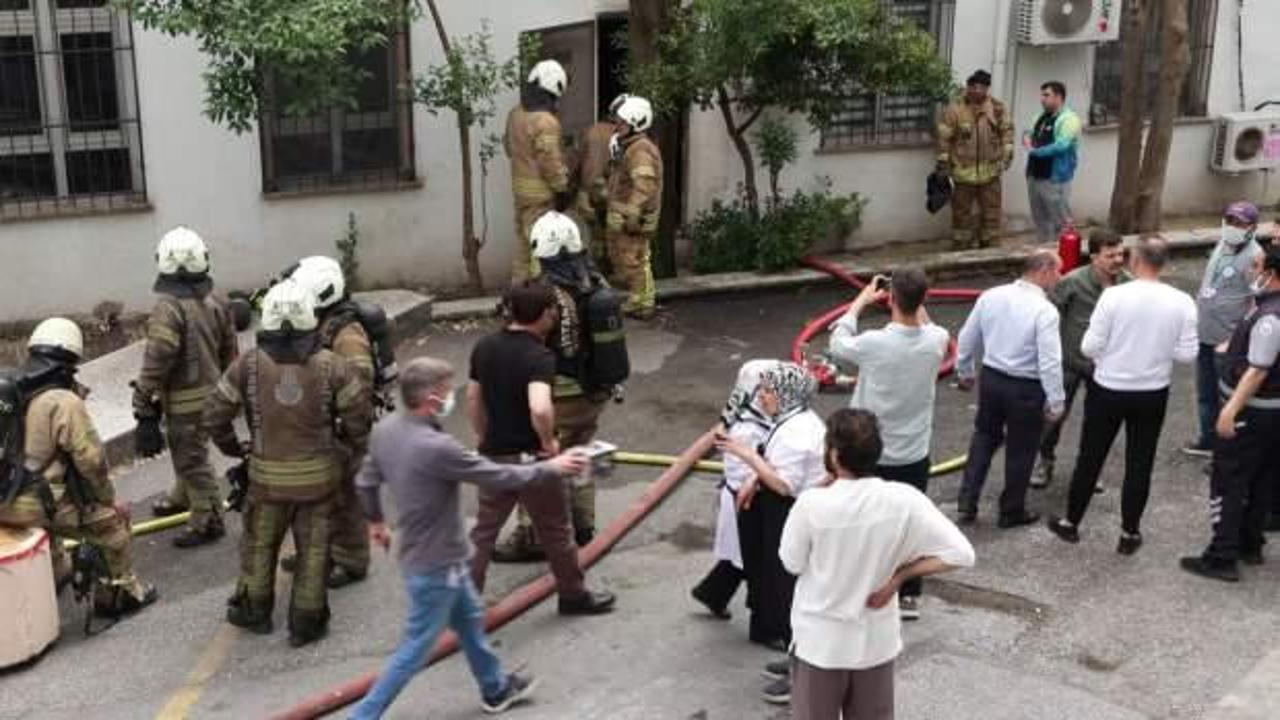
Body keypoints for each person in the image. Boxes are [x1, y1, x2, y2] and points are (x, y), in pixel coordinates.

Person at [350, 358, 590, 718]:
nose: (452, 399)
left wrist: (375, 522)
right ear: (431, 399)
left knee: (469, 619)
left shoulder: (386, 430)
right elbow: (498, 476)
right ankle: (363, 715)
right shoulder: (436, 447)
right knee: (415, 649)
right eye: (448, 392)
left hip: (433, 557)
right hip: (437, 565)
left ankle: (495, 688)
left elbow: (365, 481)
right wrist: (551, 468)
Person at [203, 280, 373, 647]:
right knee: (314, 549)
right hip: (320, 483)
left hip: (265, 484)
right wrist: (345, 448)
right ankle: (307, 621)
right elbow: (360, 416)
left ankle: (253, 609)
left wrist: (235, 449)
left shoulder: (246, 365)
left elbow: (215, 414)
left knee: (259, 544)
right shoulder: (333, 367)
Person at [781, 409, 975, 720]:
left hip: (821, 645)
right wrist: (901, 576)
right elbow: (961, 553)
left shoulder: (812, 505)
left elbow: (791, 563)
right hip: (875, 644)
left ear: (834, 454)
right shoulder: (903, 499)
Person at [466, 281, 616, 615]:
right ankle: (573, 595)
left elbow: (473, 398)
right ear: (544, 314)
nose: (554, 317)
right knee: (556, 530)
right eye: (553, 311)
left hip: (494, 457)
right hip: (532, 461)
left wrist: (482, 436)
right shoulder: (539, 356)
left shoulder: (485, 347)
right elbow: (540, 407)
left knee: (484, 533)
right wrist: (548, 443)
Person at [1048, 238, 1197, 555]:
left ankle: (1071, 523)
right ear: (1164, 264)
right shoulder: (1182, 301)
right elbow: (1187, 354)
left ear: (1136, 260)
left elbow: (1089, 347)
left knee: (1091, 456)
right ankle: (1130, 532)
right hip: (1152, 390)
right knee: (1140, 462)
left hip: (1109, 387)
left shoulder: (1114, 297)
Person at [0, 318, 158, 616]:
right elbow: (92, 461)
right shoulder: (62, 401)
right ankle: (119, 595)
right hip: (32, 507)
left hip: (3, 500)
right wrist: (109, 501)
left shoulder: (8, 391)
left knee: (50, 495)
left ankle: (56, 573)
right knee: (111, 527)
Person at [494, 212, 624, 560]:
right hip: (594, 393)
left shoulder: (542, 294)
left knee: (540, 461)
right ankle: (583, 526)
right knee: (579, 455)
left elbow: (519, 339)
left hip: (557, 395)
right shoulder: (595, 283)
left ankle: (532, 537)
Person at [828, 268, 949, 620]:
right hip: (913, 450)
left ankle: (860, 582)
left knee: (861, 518)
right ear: (923, 300)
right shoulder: (936, 340)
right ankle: (908, 593)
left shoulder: (874, 343)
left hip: (870, 449)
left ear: (891, 300)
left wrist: (862, 300)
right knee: (909, 521)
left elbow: (837, 345)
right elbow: (925, 324)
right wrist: (912, 299)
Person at [715, 362, 825, 704]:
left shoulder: (796, 432)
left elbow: (783, 483)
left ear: (787, 396)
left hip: (792, 512)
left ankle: (802, 679)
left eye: (768, 392)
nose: (761, 397)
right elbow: (774, 464)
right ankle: (797, 660)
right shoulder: (792, 421)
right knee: (782, 590)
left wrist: (746, 457)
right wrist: (754, 476)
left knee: (789, 594)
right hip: (787, 510)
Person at [133, 226, 239, 548]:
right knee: (188, 450)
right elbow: (229, 349)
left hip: (184, 400)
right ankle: (181, 496)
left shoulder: (169, 307)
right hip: (214, 393)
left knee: (191, 458)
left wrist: (142, 399)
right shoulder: (218, 299)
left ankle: (208, 519)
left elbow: (159, 357)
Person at [1180, 245, 1280, 582]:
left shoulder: (1270, 316)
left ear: (1272, 273)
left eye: (1258, 265)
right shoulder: (1266, 308)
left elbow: (1258, 369)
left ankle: (1222, 556)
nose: (1253, 270)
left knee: (1229, 479)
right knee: (1262, 478)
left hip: (1252, 412)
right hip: (1271, 414)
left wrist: (1231, 410)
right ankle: (1251, 544)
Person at [281, 255, 376, 588]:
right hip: (324, 426)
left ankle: (352, 560)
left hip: (345, 429)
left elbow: (359, 386)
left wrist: (349, 432)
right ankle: (319, 553)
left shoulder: (347, 335)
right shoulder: (324, 325)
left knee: (345, 497)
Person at [955, 250, 1065, 527]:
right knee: (1022, 449)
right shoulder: (1045, 311)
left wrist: (965, 371)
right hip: (1026, 387)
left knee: (983, 437)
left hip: (992, 379)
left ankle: (967, 501)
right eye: (1057, 271)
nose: (1059, 278)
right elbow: (1050, 360)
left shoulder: (991, 296)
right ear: (1044, 271)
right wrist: (1056, 400)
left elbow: (967, 337)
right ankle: (1011, 510)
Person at [1034, 230, 1127, 489]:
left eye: (1121, 254)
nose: (1118, 260)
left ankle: (1089, 470)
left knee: (1099, 423)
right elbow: (1049, 317)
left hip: (1107, 368)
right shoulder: (1072, 282)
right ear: (1094, 256)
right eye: (1111, 255)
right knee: (1053, 416)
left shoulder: (1128, 285)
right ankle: (1044, 461)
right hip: (1071, 363)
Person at [690, 359, 775, 620]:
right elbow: (745, 472)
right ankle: (762, 615)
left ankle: (712, 592)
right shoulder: (749, 429)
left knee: (739, 556)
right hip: (746, 502)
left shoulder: (743, 414)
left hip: (743, 499)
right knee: (756, 563)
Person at [1184, 202, 1263, 458]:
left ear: (1252, 228)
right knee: (1205, 392)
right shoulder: (1222, 244)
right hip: (1205, 333)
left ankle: (1226, 449)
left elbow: (1256, 300)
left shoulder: (1254, 256)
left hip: (1228, 340)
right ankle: (1208, 440)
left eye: (1239, 223)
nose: (1232, 227)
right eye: (1229, 221)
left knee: (1227, 396)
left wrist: (1237, 337)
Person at [505, 59, 572, 284]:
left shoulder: (515, 114)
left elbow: (508, 148)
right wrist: (563, 188)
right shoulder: (546, 121)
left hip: (520, 193)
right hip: (541, 197)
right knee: (541, 250)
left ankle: (517, 296)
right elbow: (550, 162)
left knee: (523, 250)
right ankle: (539, 298)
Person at [935, 70, 1014, 249]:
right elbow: (943, 138)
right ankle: (961, 248)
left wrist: (1007, 155)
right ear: (968, 87)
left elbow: (1007, 133)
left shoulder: (997, 108)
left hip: (991, 174)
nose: (977, 91)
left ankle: (990, 248)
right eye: (974, 87)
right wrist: (943, 164)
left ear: (987, 89)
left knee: (992, 215)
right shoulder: (955, 109)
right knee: (961, 215)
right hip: (962, 174)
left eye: (982, 87)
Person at [605, 95, 663, 319]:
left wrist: (632, 214)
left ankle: (643, 303)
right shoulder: (630, 147)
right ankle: (638, 299)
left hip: (634, 217)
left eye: (622, 122)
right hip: (628, 214)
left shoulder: (639, 150)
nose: (617, 126)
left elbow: (643, 187)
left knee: (634, 259)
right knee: (630, 258)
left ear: (636, 122)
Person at [1023, 81, 1082, 245]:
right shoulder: (1040, 116)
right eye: (1042, 95)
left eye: (1046, 95)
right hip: (1034, 175)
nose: (1042, 99)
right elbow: (1027, 132)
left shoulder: (1069, 119)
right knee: (1040, 220)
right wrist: (1026, 138)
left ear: (1059, 97)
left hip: (1055, 178)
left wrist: (1034, 151)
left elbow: (1061, 146)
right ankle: (1044, 255)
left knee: (1061, 221)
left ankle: (1065, 257)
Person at [576, 94, 629, 269]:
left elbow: (578, 160)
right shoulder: (622, 136)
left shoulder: (591, 131)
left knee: (596, 235)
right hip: (612, 192)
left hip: (590, 193)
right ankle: (615, 270)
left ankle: (599, 269)